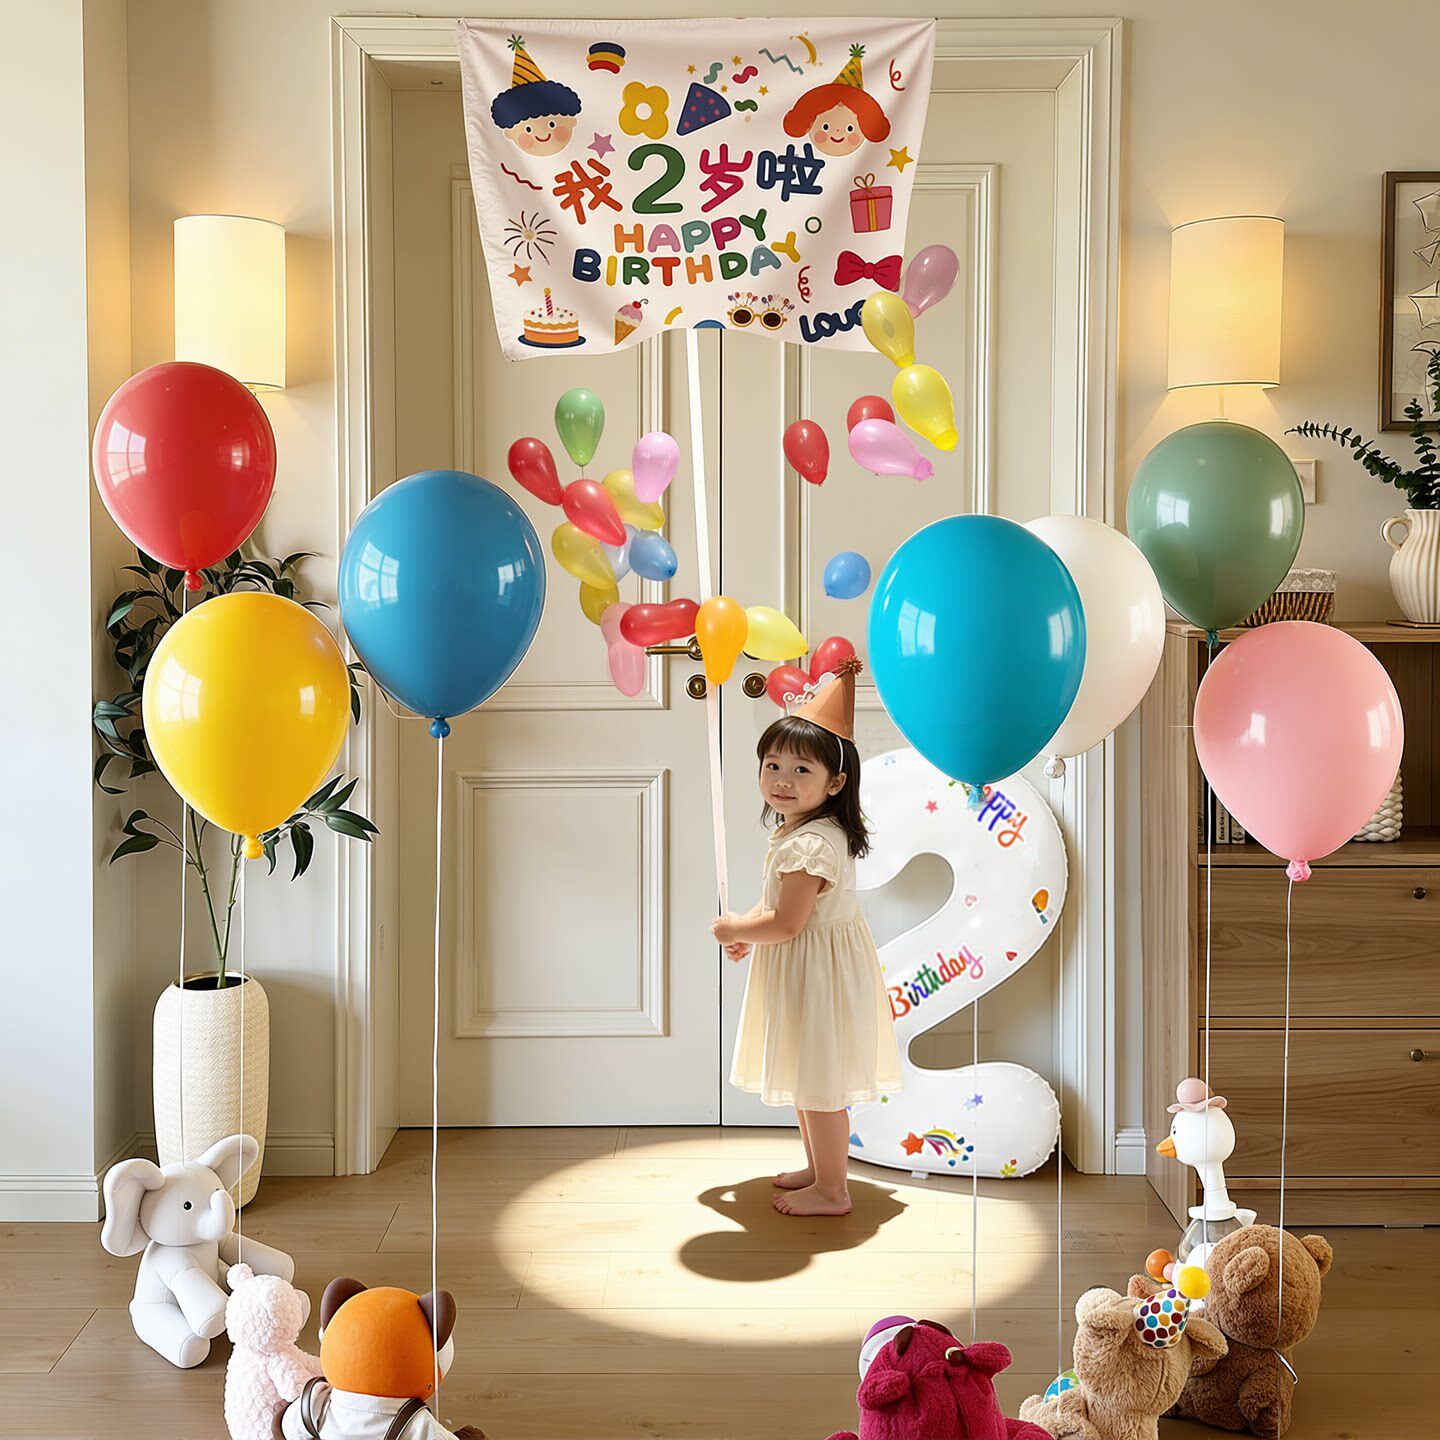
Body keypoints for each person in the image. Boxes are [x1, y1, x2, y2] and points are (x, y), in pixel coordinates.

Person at [714, 658, 901, 1216]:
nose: (782, 780)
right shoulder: (807, 832)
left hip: (815, 977)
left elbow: (788, 923)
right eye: (773, 765)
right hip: (812, 969)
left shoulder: (810, 845)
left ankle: (833, 1189)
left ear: (835, 782)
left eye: (801, 770)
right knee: (806, 1076)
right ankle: (820, 1169)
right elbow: (780, 904)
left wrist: (736, 928)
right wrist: (751, 927)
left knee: (819, 1087)